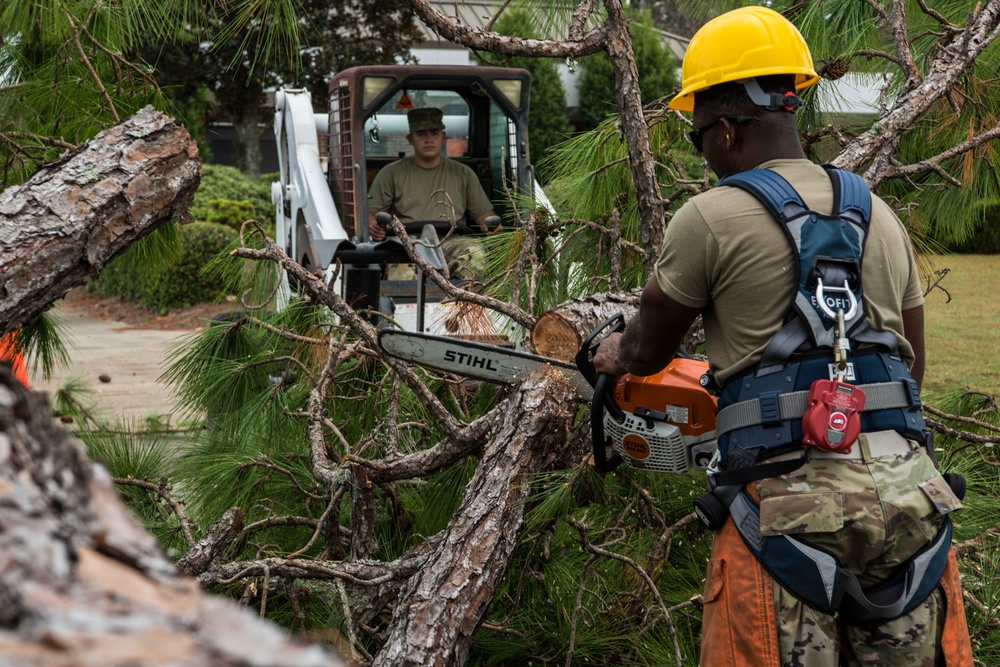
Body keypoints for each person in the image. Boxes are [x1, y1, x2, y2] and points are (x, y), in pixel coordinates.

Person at [593, 7, 972, 666]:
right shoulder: (876, 212)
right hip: (911, 500)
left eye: (697, 135)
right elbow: (906, 374)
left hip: (788, 512)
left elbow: (644, 350)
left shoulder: (708, 217)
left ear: (729, 130)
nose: (701, 150)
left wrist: (604, 349)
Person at [367, 107, 499, 280]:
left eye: (434, 133)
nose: (429, 139)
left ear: (443, 137)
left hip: (452, 241)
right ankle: (401, 307)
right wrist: (374, 227)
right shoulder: (391, 173)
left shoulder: (463, 174)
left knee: (475, 255)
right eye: (421, 134)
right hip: (407, 242)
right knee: (399, 267)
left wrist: (493, 228)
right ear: (410, 139)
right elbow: (371, 215)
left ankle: (470, 305)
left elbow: (485, 218)